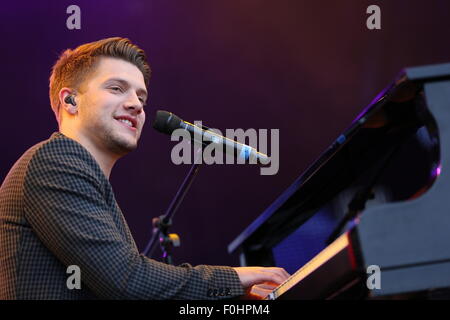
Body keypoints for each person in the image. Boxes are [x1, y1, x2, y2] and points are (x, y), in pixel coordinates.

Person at [0, 37, 289, 299]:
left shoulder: (81, 175)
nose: (136, 105)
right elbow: (127, 280)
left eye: (141, 97)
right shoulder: (57, 160)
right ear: (70, 100)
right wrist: (235, 278)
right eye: (116, 88)